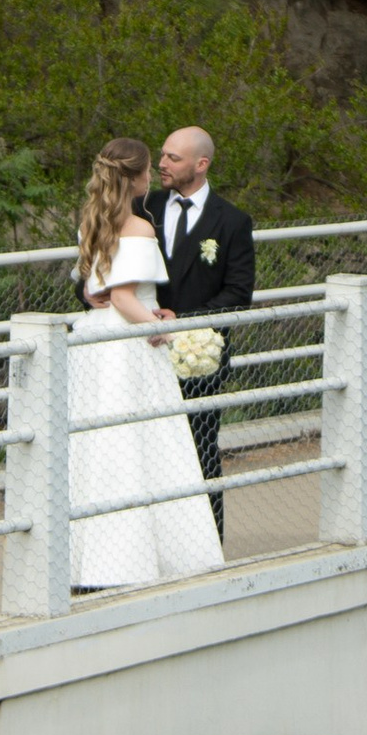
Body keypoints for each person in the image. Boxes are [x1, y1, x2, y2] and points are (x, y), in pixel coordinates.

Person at [68, 136, 225, 591]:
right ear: (135, 178)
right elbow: (121, 298)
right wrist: (160, 328)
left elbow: (96, 289)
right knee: (142, 444)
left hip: (95, 343)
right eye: (148, 168)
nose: (154, 172)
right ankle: (133, 562)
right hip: (126, 345)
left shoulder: (92, 220)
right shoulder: (138, 227)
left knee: (102, 447)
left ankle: (88, 561)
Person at [144, 127, 255, 540]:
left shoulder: (232, 221)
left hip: (198, 353)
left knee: (200, 446)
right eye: (163, 155)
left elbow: (238, 293)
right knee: (146, 447)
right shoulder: (144, 208)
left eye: (173, 157)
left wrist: (184, 323)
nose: (162, 164)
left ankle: (206, 542)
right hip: (141, 349)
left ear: (201, 164)